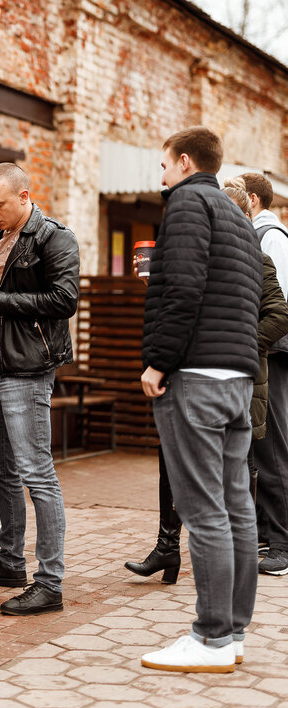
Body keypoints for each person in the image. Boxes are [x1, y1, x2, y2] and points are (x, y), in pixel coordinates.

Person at [140, 127, 262, 673]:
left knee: (204, 509)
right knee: (236, 508)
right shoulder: (238, 215)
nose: (160, 175)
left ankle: (210, 639)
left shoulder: (188, 202)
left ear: (185, 161)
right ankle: (232, 633)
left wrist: (159, 361)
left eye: (164, 165)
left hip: (195, 377)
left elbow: (183, 288)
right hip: (237, 378)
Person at [125, 177, 288, 586]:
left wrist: (238, 346)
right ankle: (168, 549)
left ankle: (231, 579)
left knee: (234, 478)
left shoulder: (256, 255)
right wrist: (154, 281)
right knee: (175, 461)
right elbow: (180, 313)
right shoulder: (194, 256)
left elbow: (279, 314)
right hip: (189, 379)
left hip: (238, 381)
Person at [0, 163, 80, 617]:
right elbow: (2, 301)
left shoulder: (54, 237)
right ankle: (10, 562)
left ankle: (49, 582)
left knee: (36, 473)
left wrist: (1, 301)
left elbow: (65, 300)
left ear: (25, 196)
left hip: (26, 373)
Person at [240, 171, 288, 575]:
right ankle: (265, 531)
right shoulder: (259, 237)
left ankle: (283, 544)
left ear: (252, 200)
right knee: (261, 447)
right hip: (263, 353)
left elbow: (279, 308)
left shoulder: (271, 238)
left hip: (274, 355)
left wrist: (252, 343)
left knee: (273, 448)